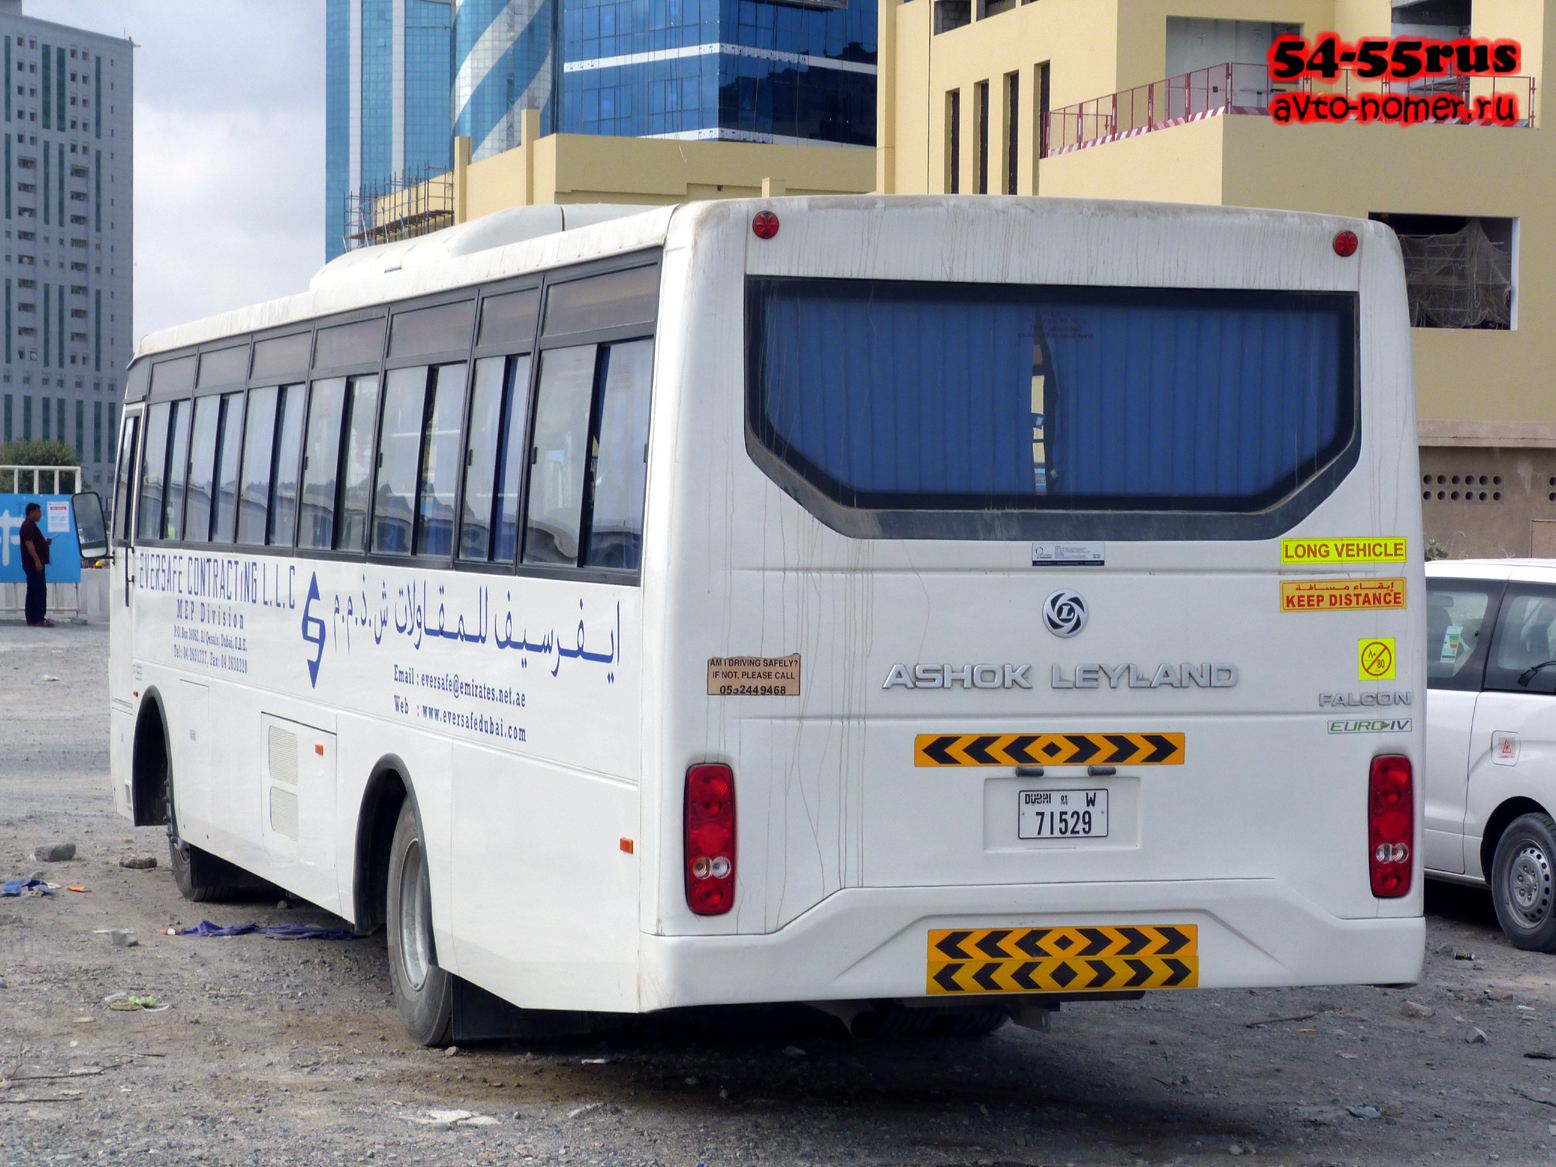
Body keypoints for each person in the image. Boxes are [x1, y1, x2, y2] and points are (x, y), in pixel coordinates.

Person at [19, 501, 54, 628]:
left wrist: (45, 543)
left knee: (33, 590)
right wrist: (37, 560)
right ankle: (39, 618)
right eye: (38, 511)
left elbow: (34, 542)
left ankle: (32, 618)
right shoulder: (28, 525)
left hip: (32, 564)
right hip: (33, 564)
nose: (40, 514)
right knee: (39, 590)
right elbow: (29, 543)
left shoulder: (30, 525)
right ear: (32, 512)